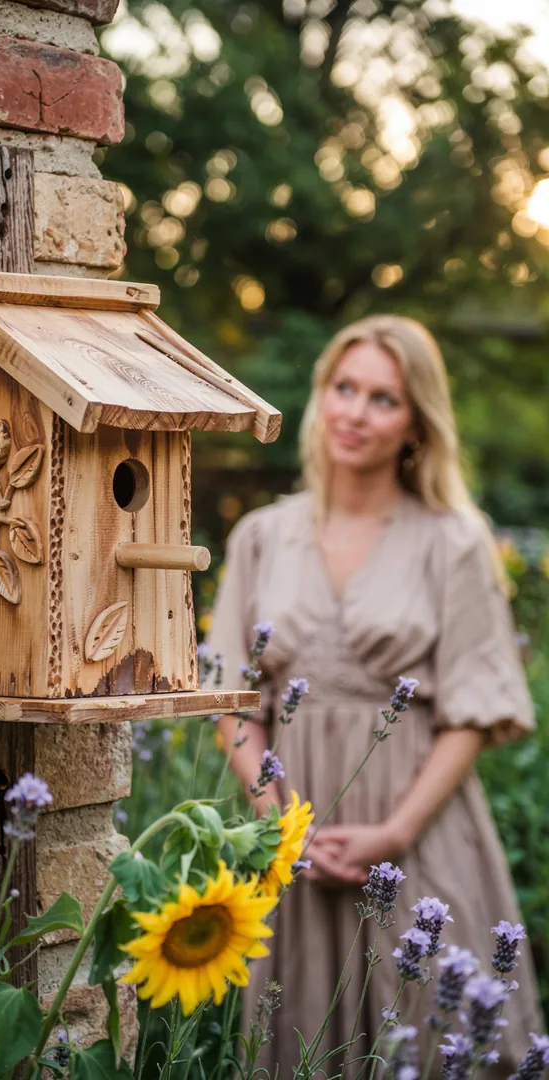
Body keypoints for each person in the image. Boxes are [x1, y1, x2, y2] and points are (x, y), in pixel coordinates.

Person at [208, 315, 543, 1075]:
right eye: (344, 388)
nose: (355, 412)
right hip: (292, 842)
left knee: (432, 1037)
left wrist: (392, 835)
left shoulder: (453, 539)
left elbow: (472, 712)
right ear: (321, 396)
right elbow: (231, 701)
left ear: (416, 423)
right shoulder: (261, 535)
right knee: (298, 1039)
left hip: (419, 834)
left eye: (383, 399)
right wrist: (280, 825)